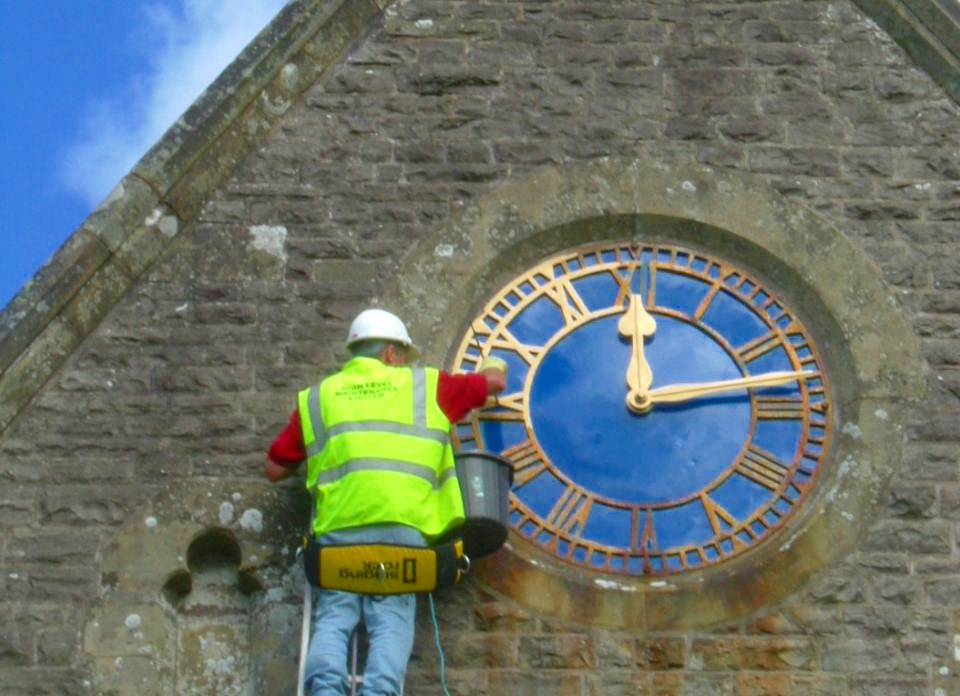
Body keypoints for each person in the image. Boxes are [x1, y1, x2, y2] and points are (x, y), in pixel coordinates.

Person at [265, 308, 507, 696]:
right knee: (391, 621)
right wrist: (495, 366)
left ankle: (325, 690)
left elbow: (274, 469)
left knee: (333, 619)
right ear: (391, 354)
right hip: (401, 531)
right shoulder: (427, 386)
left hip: (339, 532)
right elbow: (492, 383)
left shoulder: (318, 398)